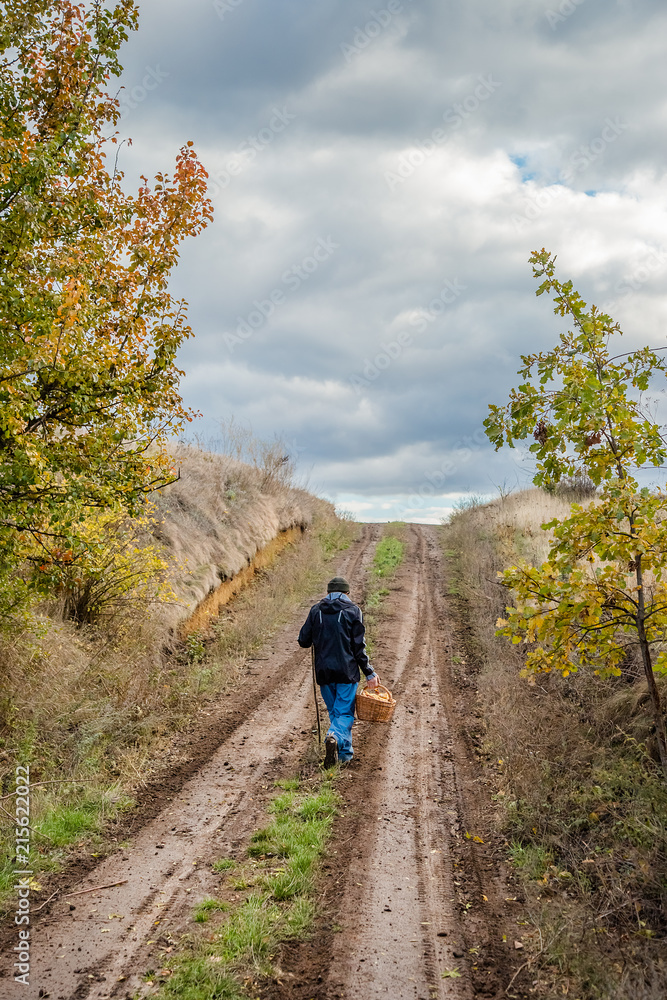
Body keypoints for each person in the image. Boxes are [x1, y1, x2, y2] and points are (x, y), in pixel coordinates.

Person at [298, 576, 379, 767]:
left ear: (328, 592)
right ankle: (333, 737)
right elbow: (359, 647)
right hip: (346, 672)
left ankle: (344, 755)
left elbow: (303, 640)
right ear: (347, 593)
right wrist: (369, 673)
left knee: (336, 713)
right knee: (344, 714)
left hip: (324, 673)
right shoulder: (353, 611)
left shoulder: (316, 610)